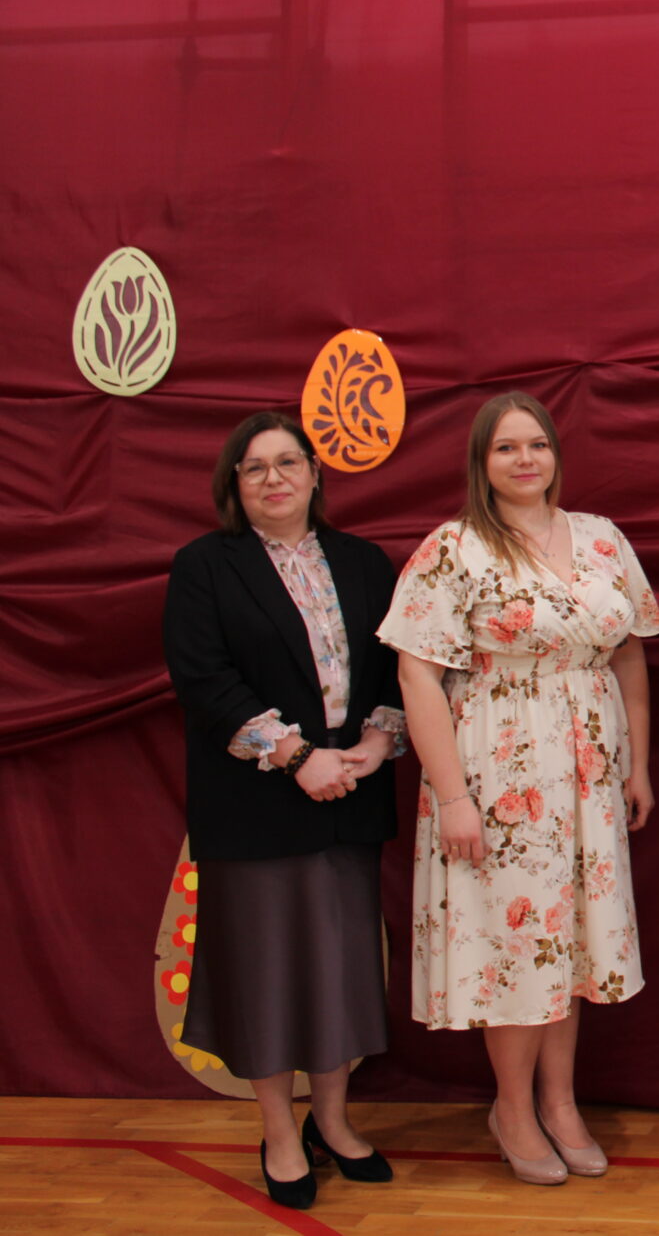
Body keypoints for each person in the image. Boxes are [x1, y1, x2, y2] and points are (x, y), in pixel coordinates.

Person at [379, 392, 659, 1186]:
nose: (524, 459)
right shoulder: (453, 548)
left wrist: (636, 763)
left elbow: (629, 652)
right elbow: (416, 674)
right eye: (506, 447)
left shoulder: (602, 538)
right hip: (499, 770)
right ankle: (512, 1108)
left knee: (568, 941)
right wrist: (453, 795)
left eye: (536, 443)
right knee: (516, 944)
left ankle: (560, 1102)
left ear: (555, 453)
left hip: (589, 768)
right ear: (482, 461)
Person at [162, 411, 406, 1211]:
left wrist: (376, 741)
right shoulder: (205, 565)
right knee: (264, 979)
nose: (273, 478)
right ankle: (277, 1132)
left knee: (339, 975)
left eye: (287, 462)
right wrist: (299, 758)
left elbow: (393, 669)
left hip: (350, 798)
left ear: (315, 474)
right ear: (234, 484)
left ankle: (331, 1121)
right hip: (255, 806)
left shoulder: (364, 561)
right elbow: (204, 679)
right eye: (255, 466)